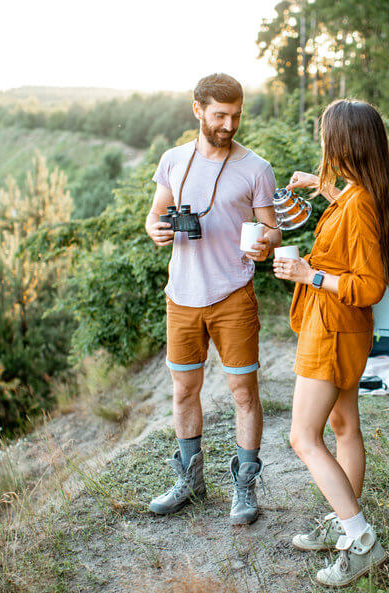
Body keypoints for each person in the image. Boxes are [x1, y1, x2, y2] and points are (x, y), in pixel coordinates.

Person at [273, 99, 389, 586]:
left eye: (327, 137)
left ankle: (362, 540)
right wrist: (324, 187)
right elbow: (352, 221)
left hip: (331, 329)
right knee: (344, 425)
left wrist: (310, 274)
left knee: (302, 437)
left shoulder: (362, 202)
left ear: (344, 142)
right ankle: (343, 520)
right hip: (343, 330)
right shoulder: (360, 193)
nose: (323, 145)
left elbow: (369, 285)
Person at [144, 73, 281, 525]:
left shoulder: (256, 168)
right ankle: (190, 479)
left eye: (236, 115)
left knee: (243, 392)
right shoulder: (172, 160)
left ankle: (244, 485)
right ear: (198, 109)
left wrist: (266, 243)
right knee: (184, 390)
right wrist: (156, 228)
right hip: (181, 296)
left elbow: (273, 228)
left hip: (232, 296)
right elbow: (155, 214)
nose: (229, 124)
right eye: (220, 115)